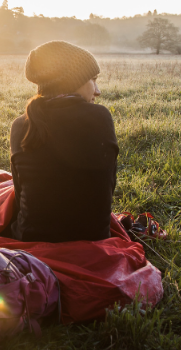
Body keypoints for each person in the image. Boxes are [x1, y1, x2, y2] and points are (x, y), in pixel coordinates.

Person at [8, 40, 117, 243]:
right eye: (93, 79)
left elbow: (19, 192)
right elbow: (107, 189)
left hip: (30, 240)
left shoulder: (21, 125)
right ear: (74, 80)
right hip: (95, 240)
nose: (98, 91)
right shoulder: (100, 117)